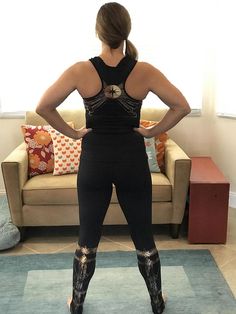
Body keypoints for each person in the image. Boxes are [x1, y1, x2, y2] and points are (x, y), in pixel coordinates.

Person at [36, 2, 191, 313]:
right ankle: (157, 303)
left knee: (87, 238)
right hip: (132, 162)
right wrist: (151, 132)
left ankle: (76, 304)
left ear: (98, 31)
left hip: (94, 162)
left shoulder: (81, 70)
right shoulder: (144, 71)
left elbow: (44, 106)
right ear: (126, 31)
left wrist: (73, 132)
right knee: (144, 238)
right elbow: (182, 106)